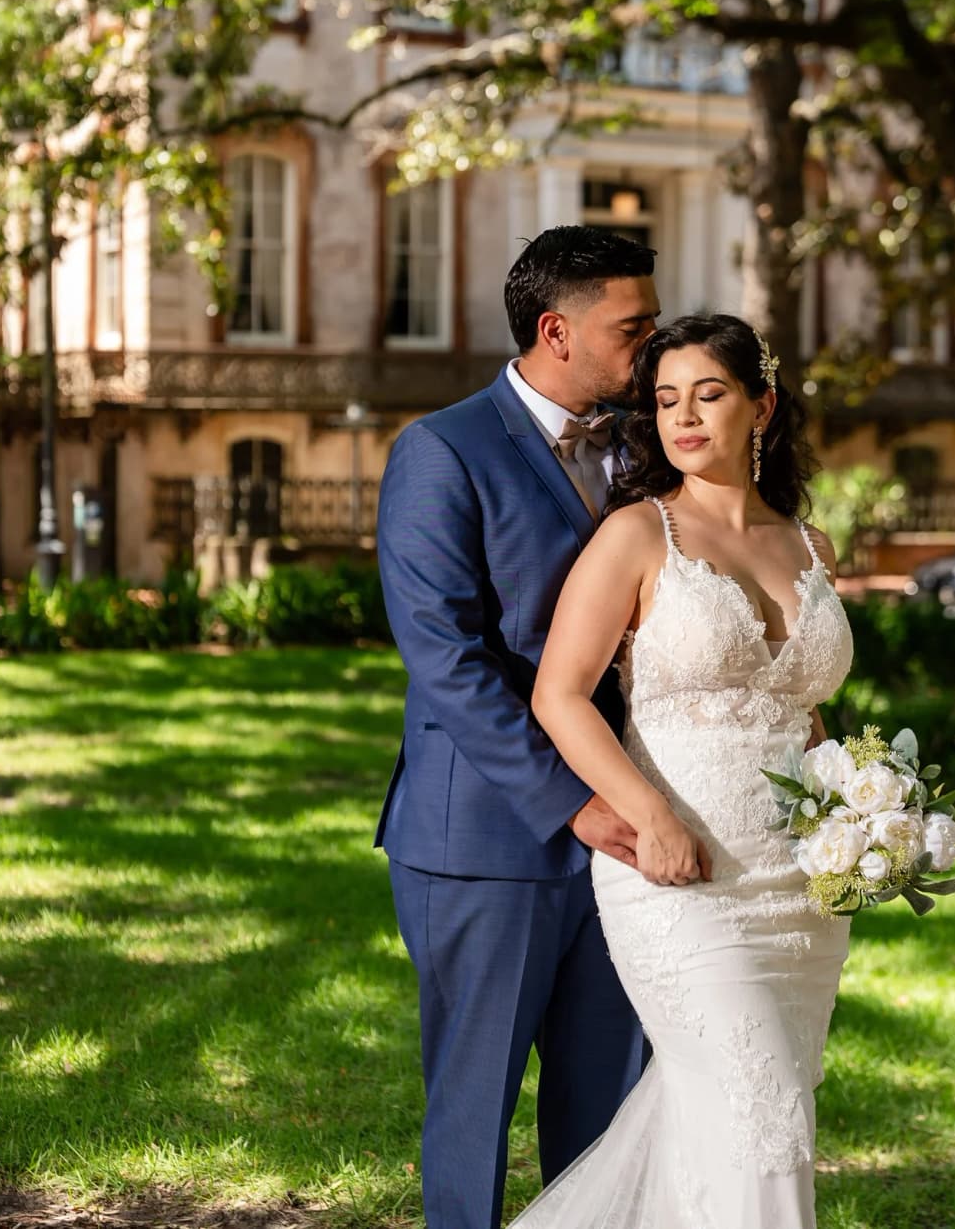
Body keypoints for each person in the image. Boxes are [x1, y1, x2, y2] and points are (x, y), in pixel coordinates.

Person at [507, 312, 854, 1228]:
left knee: (735, 1123)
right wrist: (643, 814)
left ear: (763, 407)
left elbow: (805, 713)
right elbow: (561, 697)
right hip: (679, 875)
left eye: (709, 394)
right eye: (666, 400)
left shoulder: (812, 548)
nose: (684, 417)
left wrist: (863, 824)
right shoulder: (636, 535)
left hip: (799, 894)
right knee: (760, 1119)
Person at [374, 225, 663, 1229]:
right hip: (487, 838)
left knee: (612, 1101)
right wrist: (574, 799)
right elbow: (445, 658)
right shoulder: (441, 449)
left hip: (632, 834)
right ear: (558, 331)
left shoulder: (644, 447)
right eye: (635, 329)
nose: (653, 347)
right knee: (474, 1108)